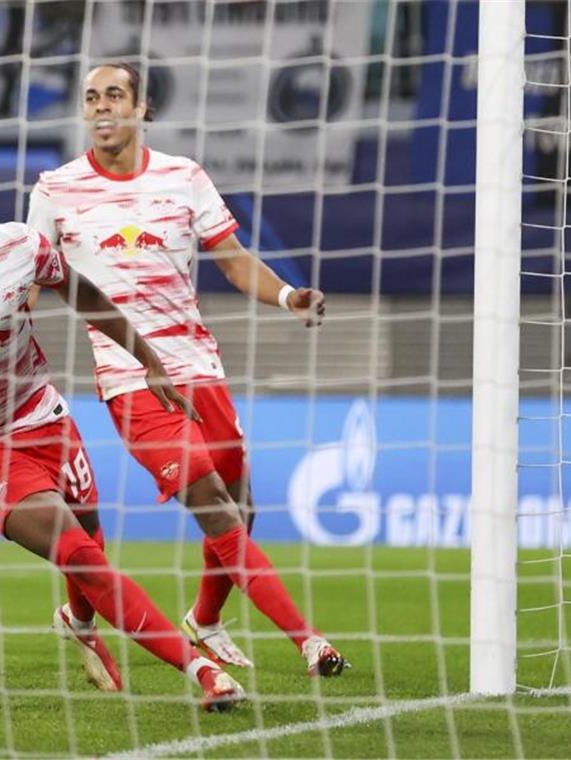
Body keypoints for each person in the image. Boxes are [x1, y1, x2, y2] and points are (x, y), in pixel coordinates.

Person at [0, 162, 245, 711]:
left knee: (90, 537)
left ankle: (78, 621)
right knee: (81, 554)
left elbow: (84, 294)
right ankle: (203, 671)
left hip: (45, 417)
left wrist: (149, 361)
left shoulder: (22, 246)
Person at [25, 63, 347, 677]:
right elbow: (31, 282)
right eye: (91, 98)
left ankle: (204, 619)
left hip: (201, 369)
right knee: (211, 499)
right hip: (131, 378)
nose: (101, 109)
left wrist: (287, 297)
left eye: (114, 95)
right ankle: (309, 641)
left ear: (142, 108)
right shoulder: (55, 190)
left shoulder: (183, 177)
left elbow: (232, 260)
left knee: (241, 504)